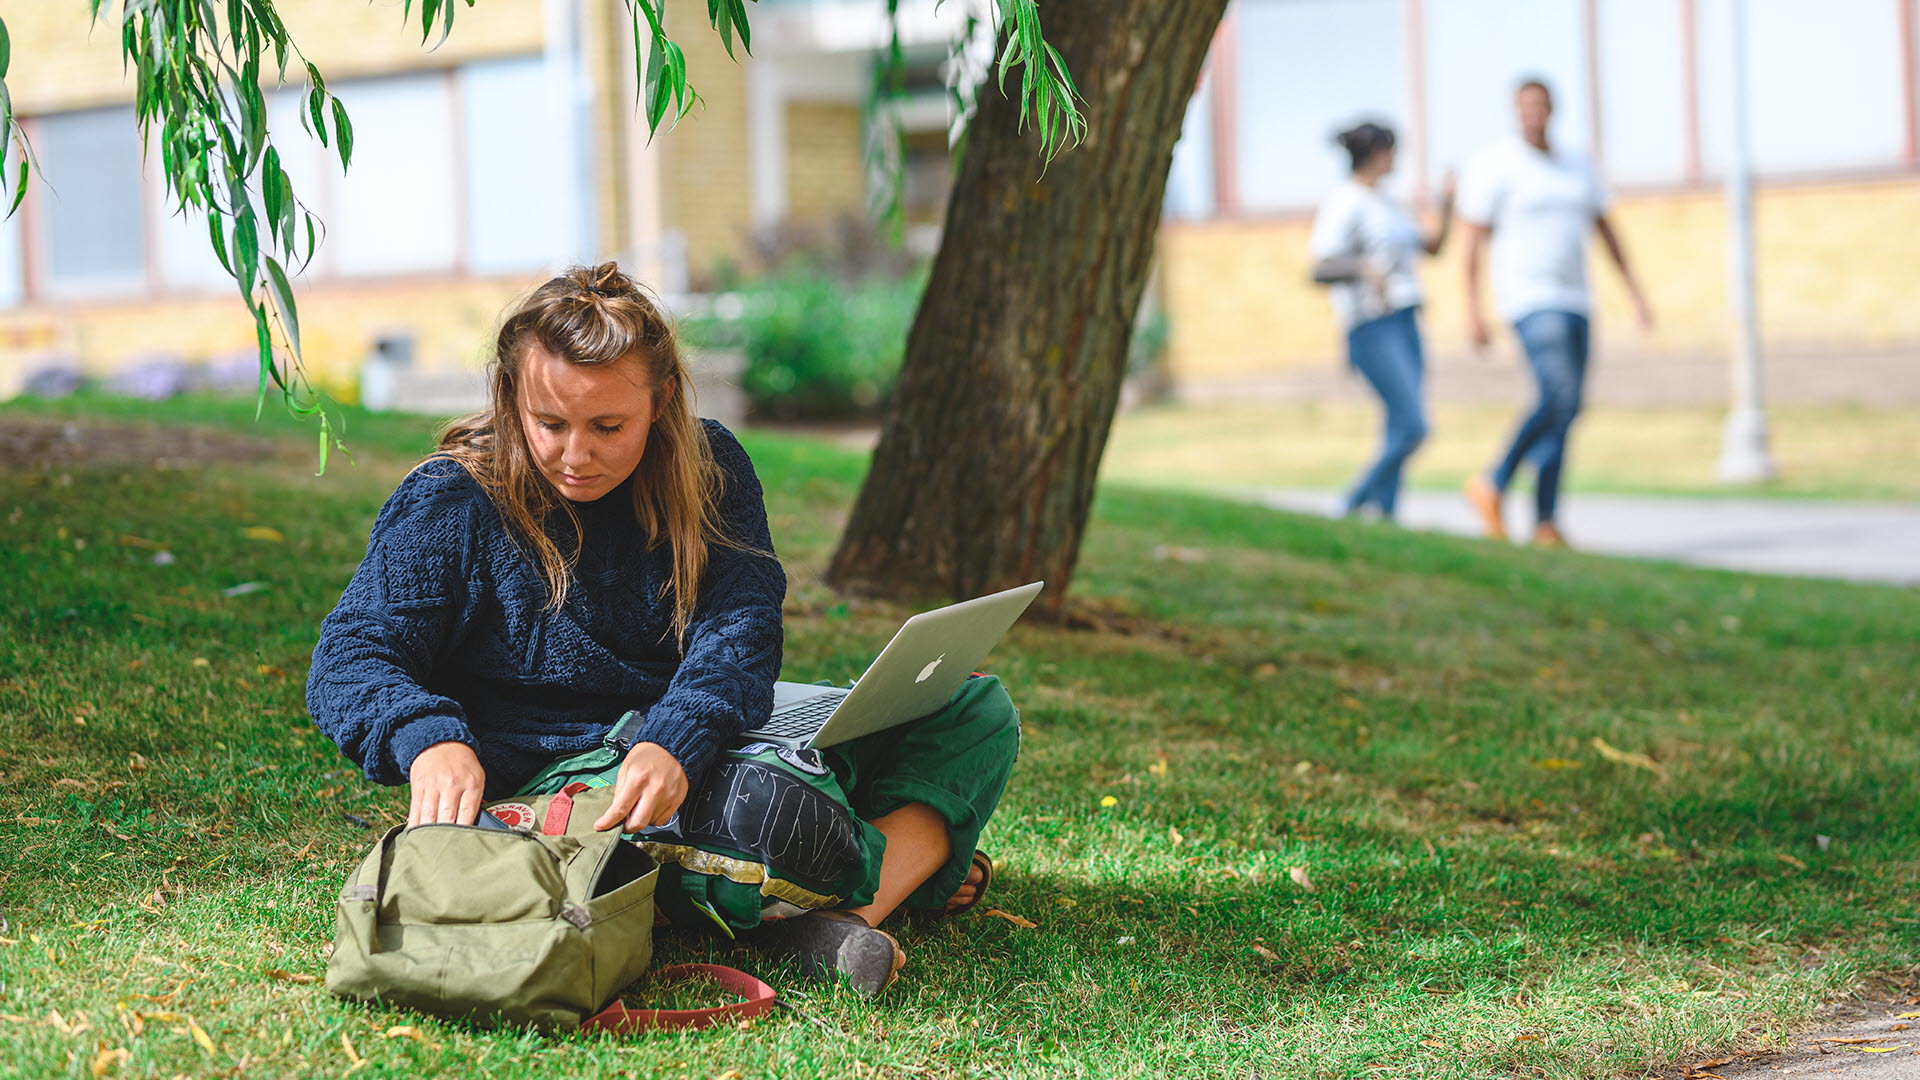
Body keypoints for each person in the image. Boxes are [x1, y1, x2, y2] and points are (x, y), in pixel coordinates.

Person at [305, 263, 1016, 996]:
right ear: (511, 396)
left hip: (691, 739)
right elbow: (350, 657)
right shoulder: (452, 499)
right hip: (560, 779)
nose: (575, 454)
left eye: (607, 426)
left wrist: (676, 739)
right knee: (769, 811)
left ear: (662, 398)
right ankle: (889, 867)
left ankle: (847, 914)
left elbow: (739, 632)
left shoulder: (712, 469)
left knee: (969, 708)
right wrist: (429, 738)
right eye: (548, 423)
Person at [1458, 77, 1654, 546]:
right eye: (1524, 106)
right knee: (1557, 392)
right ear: (1514, 111)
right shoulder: (1495, 164)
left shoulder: (1576, 164)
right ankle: (1493, 481)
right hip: (1527, 298)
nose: (1532, 113)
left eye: (1539, 105)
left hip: (1576, 299)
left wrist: (1635, 292)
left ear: (1552, 109)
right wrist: (1473, 309)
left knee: (1567, 409)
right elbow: (1471, 243)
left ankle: (1545, 521)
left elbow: (1607, 230)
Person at [1309, 120, 1455, 520]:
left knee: (1396, 426)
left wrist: (1447, 203)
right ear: (1377, 154)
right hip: (1372, 325)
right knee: (1413, 426)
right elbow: (1319, 268)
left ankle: (1385, 518)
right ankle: (1349, 504)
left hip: (1407, 319)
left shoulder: (1389, 203)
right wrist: (1364, 269)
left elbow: (1433, 247)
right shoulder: (1346, 201)